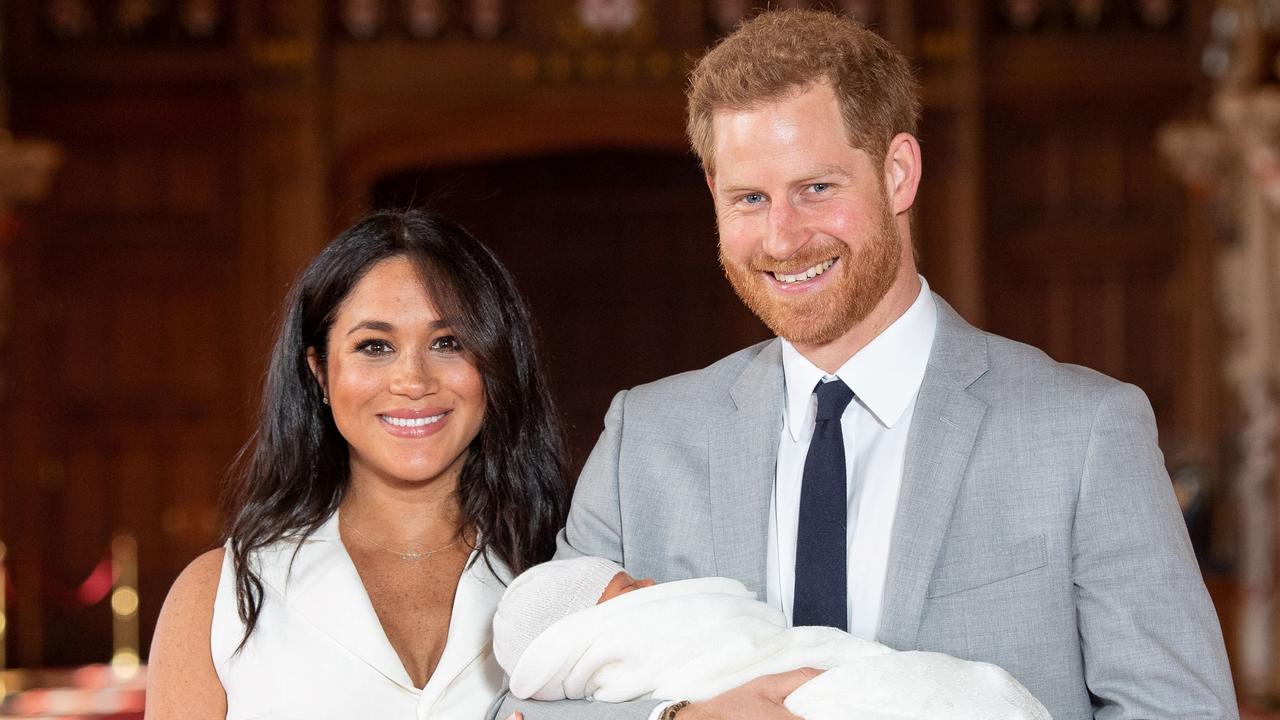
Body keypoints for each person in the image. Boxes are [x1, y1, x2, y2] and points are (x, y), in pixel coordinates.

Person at [496, 9, 1236, 720]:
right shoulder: (646, 439)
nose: (783, 239)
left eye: (816, 188)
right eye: (749, 198)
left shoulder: (1083, 433)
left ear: (898, 174)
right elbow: (528, 703)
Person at [146, 209, 570, 719]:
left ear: (498, 362)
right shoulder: (219, 598)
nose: (413, 381)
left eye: (448, 343)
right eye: (375, 346)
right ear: (319, 373)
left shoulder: (568, 575)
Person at [491, 557, 1051, 720]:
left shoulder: (1092, 418)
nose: (653, 585)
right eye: (632, 587)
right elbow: (522, 709)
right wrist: (682, 719)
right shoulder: (636, 429)